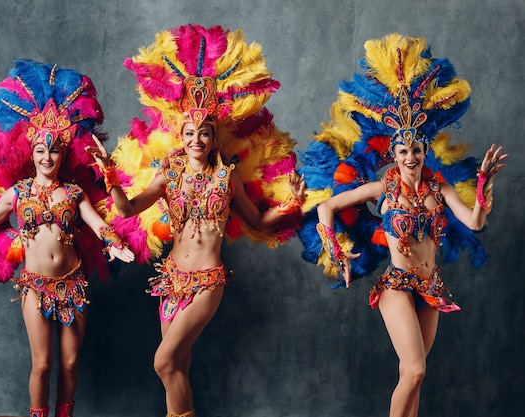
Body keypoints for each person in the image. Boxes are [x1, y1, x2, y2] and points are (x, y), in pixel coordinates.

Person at [86, 24, 305, 417]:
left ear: (212, 138)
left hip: (207, 281)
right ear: (181, 136)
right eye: (190, 133)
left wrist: (291, 204)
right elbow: (126, 210)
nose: (197, 140)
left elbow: (256, 219)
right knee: (178, 367)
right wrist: (108, 174)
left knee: (163, 363)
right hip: (170, 279)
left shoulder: (227, 176)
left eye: (204, 133)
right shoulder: (168, 172)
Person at [298, 34, 508, 417]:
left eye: (415, 150)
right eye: (401, 151)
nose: (409, 157)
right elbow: (327, 207)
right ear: (393, 155)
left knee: (412, 377)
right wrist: (336, 250)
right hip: (397, 285)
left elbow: (474, 223)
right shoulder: (382, 187)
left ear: (425, 151)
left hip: (432, 286)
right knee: (414, 370)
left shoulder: (440, 188)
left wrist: (483, 186)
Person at [0, 60, 134, 417]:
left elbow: (97, 223)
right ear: (31, 152)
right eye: (40, 150)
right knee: (42, 365)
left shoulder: (74, 193)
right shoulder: (17, 192)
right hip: (35, 288)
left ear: (63, 153)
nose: (47, 156)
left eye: (54, 150)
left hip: (73, 286)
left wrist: (114, 243)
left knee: (70, 365)